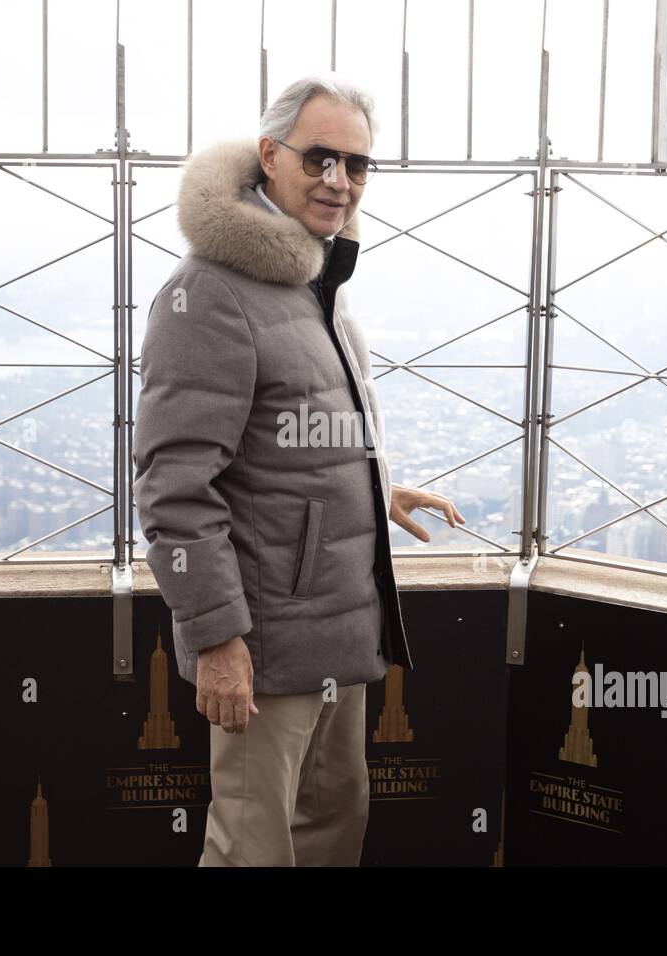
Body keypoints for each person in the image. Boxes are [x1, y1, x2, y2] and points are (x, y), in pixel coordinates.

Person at [132, 73, 464, 866]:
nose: (338, 181)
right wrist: (217, 640)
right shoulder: (209, 292)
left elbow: (288, 433)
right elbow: (174, 487)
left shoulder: (318, 285)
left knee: (330, 834)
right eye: (319, 158)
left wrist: (373, 487)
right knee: (254, 848)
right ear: (270, 156)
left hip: (340, 634)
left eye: (356, 165)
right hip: (266, 646)